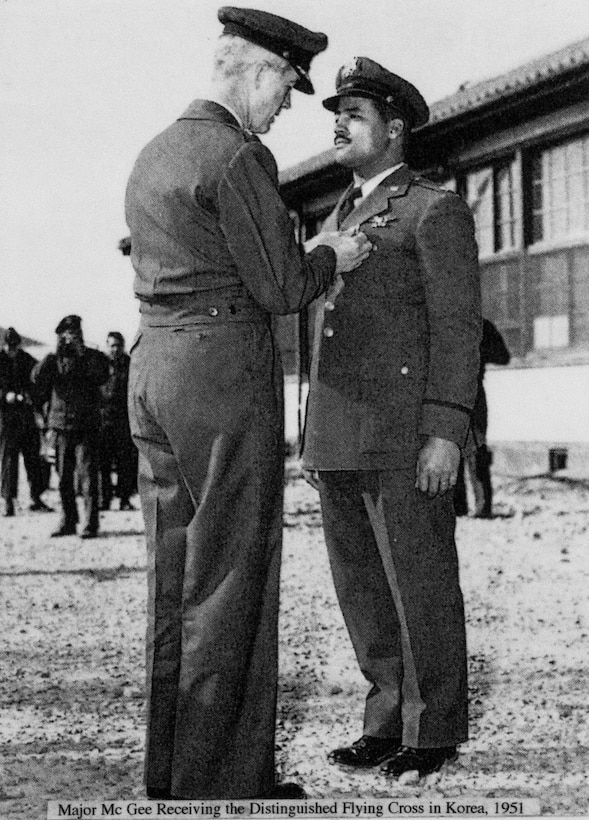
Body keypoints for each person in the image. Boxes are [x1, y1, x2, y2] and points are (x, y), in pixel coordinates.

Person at [125, 6, 371, 801]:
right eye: (286, 92)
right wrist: (333, 253)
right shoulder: (237, 157)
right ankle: (223, 781)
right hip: (221, 377)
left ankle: (169, 774)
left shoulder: (155, 151)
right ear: (259, 73)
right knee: (232, 576)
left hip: (153, 368)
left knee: (175, 575)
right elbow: (281, 287)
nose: (284, 109)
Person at [302, 57, 482, 779]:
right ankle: (384, 720)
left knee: (419, 582)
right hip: (342, 435)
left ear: (394, 129)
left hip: (405, 436)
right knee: (363, 589)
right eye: (336, 115)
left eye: (354, 115)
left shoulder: (431, 210)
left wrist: (445, 429)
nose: (339, 126)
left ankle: (431, 731)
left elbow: (457, 328)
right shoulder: (336, 216)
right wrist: (313, 439)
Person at [31, 315, 110, 538]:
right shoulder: (53, 360)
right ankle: (68, 520)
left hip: (86, 426)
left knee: (88, 477)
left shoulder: (92, 357)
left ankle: (91, 523)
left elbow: (102, 375)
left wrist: (81, 352)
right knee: (64, 478)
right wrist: (54, 354)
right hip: (62, 427)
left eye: (76, 333)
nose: (72, 338)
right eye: (67, 334)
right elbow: (37, 378)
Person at [454, 318, 510, 519]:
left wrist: (477, 352)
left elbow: (503, 356)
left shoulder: (481, 326)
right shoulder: (442, 324)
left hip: (474, 395)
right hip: (446, 394)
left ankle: (483, 507)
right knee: (449, 445)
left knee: (476, 447)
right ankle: (457, 507)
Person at [0, 327, 50, 516]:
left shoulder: (26, 360)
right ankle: (8, 501)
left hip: (26, 418)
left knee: (33, 458)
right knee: (8, 461)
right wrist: (5, 395)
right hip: (6, 419)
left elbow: (39, 380)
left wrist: (32, 396)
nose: (11, 349)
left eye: (14, 345)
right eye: (8, 345)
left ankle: (36, 497)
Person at [99, 332, 137, 511]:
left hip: (123, 420)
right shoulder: (99, 364)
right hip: (103, 419)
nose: (115, 349)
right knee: (103, 462)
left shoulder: (129, 364)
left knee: (125, 462)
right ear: (107, 346)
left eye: (118, 345)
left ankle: (124, 499)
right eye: (112, 345)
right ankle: (104, 499)